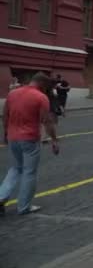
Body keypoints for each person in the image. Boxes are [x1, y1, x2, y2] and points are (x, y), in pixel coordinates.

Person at [1, 72, 59, 216]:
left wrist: (5, 134)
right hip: (30, 138)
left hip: (13, 137)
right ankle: (24, 206)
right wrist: (54, 140)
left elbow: (5, 115)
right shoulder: (41, 97)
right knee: (29, 172)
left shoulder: (13, 94)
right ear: (42, 84)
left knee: (15, 169)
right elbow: (47, 121)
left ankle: (1, 197)